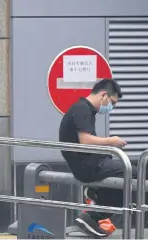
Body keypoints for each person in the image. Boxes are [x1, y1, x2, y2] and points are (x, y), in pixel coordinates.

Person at [59, 79, 137, 238]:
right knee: (134, 174)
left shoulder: (84, 109)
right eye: (113, 103)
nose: (112, 107)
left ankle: (96, 201)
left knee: (129, 174)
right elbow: (85, 140)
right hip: (87, 167)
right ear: (104, 96)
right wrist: (111, 141)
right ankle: (93, 211)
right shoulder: (82, 110)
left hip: (90, 163)